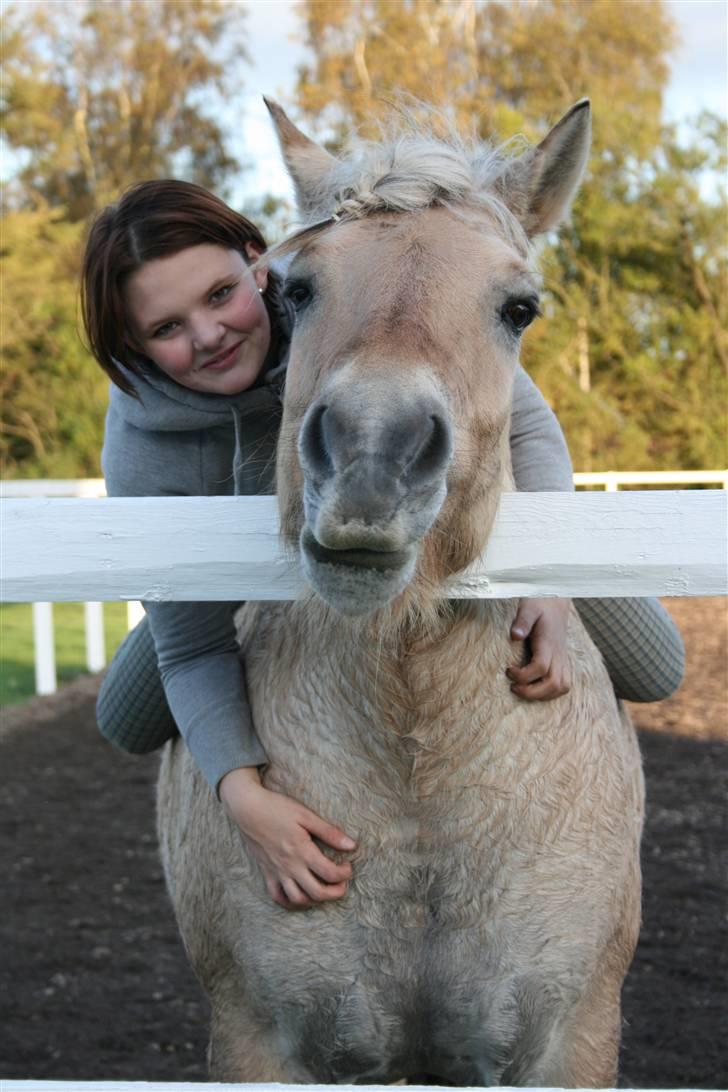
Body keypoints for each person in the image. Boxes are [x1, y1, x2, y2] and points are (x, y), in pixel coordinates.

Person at [81, 179, 684, 910]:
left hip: (425, 511)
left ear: (257, 262)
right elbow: (193, 646)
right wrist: (243, 795)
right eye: (165, 329)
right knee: (123, 717)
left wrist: (547, 578)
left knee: (656, 663)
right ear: (132, 344)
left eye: (219, 295)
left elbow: (530, 425)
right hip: (250, 560)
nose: (208, 335)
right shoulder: (142, 436)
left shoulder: (344, 298)